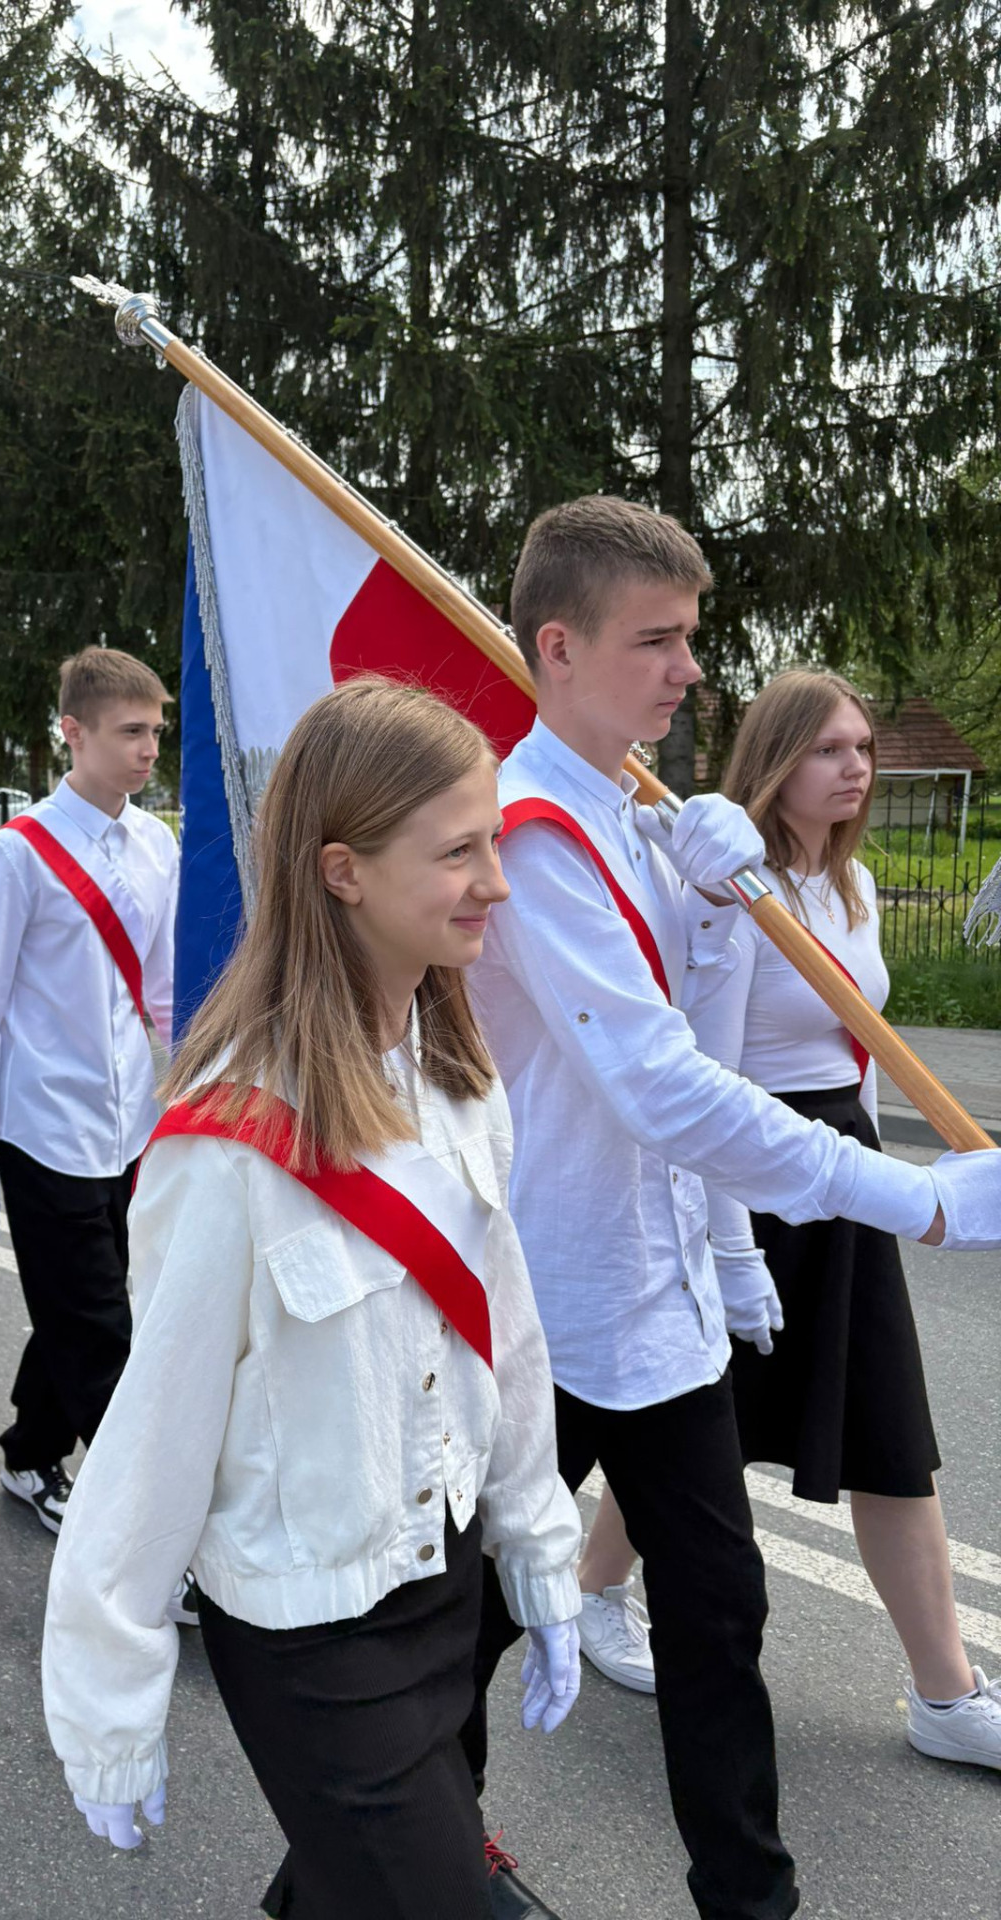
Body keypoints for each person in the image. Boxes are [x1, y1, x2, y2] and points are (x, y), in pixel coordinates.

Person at [466, 497, 1001, 1920]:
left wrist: (705, 913)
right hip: (547, 1299)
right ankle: (378, 1868)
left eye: (692, 638)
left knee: (718, 1615)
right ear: (560, 647)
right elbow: (657, 1090)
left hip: (656, 1303)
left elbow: (699, 1044)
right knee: (460, 1628)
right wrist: (919, 1202)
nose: (691, 671)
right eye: (660, 641)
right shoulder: (526, 840)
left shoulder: (632, 823)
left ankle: (748, 1903)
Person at [42, 679, 583, 1920]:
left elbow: (504, 1335)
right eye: (459, 851)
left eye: (490, 841)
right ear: (343, 871)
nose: (496, 880)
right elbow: (156, 1430)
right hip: (316, 1634)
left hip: (444, 1585)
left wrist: (539, 1547)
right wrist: (108, 1694)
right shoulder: (231, 1138)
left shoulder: (456, 1076)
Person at [686, 667, 999, 1766]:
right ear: (775, 761)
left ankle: (945, 1695)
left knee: (887, 1439)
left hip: (846, 1183)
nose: (856, 767)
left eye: (863, 747)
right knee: (690, 1430)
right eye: (829, 749)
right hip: (756, 1185)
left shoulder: (848, 890)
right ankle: (586, 1590)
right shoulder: (737, 889)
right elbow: (709, 1090)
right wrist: (727, 1249)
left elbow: (854, 1067)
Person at [0, 646, 178, 1535]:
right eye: (129, 732)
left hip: (132, 1126)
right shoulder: (16, 857)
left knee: (85, 1306)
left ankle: (31, 1451)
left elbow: (159, 992)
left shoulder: (156, 845)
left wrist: (193, 1090)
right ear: (72, 733)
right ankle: (147, 1533)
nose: (148, 749)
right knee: (103, 1330)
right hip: (43, 1129)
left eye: (155, 731)